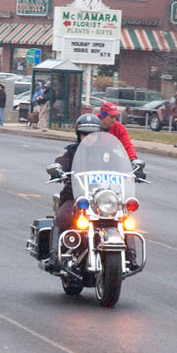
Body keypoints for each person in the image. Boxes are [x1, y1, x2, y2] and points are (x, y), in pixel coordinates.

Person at [47, 114, 103, 269]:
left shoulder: (106, 152)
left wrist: (133, 171)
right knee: (62, 217)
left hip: (102, 199)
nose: (89, 137)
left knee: (125, 221)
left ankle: (130, 258)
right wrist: (58, 170)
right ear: (79, 134)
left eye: (92, 134)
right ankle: (54, 256)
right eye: (85, 133)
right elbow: (60, 162)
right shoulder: (70, 151)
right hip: (75, 197)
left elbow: (119, 163)